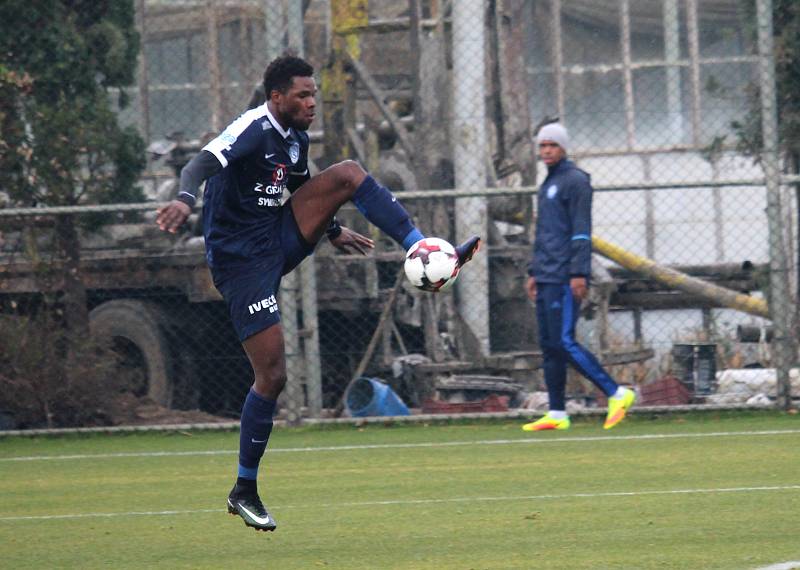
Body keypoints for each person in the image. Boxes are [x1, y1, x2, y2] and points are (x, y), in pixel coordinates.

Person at [155, 55, 481, 532]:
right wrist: (184, 199)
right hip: (241, 264)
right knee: (273, 374)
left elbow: (300, 186)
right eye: (303, 95)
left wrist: (330, 231)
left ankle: (425, 248)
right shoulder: (252, 128)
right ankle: (244, 489)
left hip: (277, 239)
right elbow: (199, 163)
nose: (312, 103)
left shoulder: (294, 139)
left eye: (314, 94)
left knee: (347, 173)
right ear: (276, 98)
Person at [521, 123, 634, 433]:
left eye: (552, 146)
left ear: (564, 148)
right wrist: (533, 271)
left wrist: (579, 273)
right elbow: (545, 233)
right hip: (545, 273)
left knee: (564, 341)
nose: (546, 151)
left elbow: (581, 232)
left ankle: (616, 392)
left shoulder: (576, 181)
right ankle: (557, 412)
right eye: (542, 146)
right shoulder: (548, 183)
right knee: (549, 346)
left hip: (564, 275)